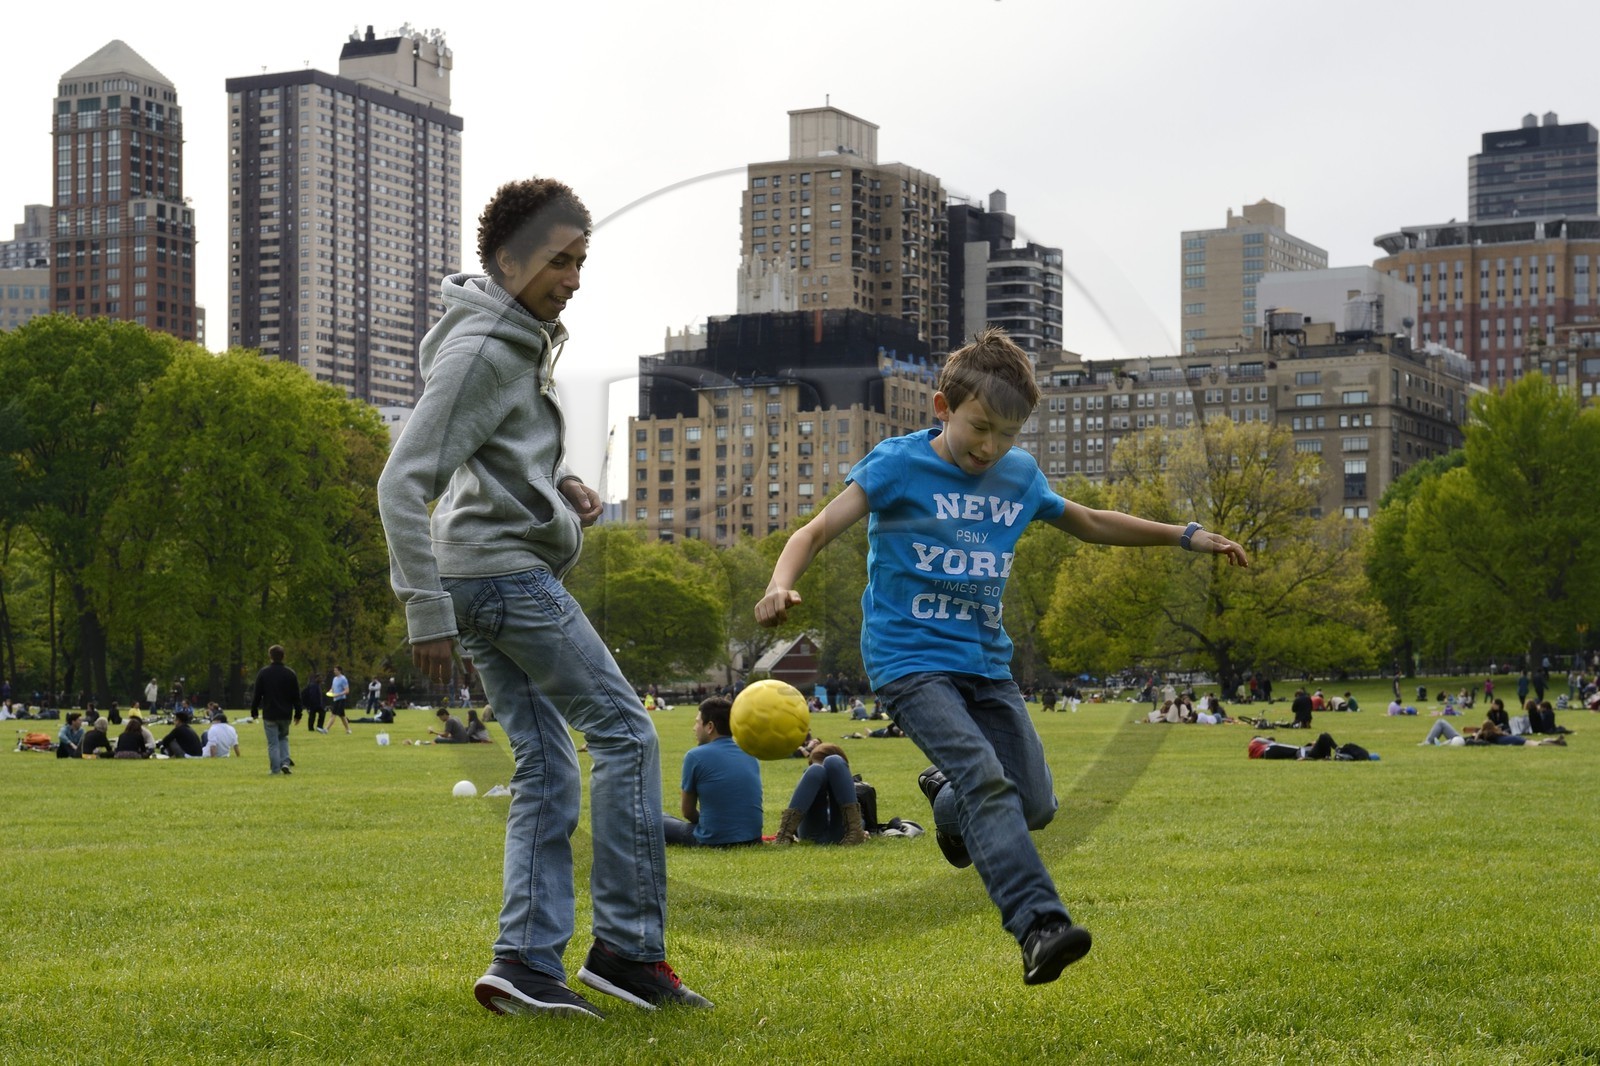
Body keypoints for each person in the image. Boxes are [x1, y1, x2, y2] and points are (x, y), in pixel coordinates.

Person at [754, 326, 1248, 986]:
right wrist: (780, 582)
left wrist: (1187, 536)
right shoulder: (897, 464)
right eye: (979, 428)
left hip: (986, 662)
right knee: (987, 779)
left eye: (1007, 435)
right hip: (908, 660)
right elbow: (814, 530)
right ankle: (1038, 925)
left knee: (1035, 804)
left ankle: (948, 800)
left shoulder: (1017, 476)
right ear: (942, 408)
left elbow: (1089, 520)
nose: (990, 448)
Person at [377, 176, 708, 1018]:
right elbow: (402, 480)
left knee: (550, 766)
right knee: (627, 734)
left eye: (581, 261)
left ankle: (523, 964)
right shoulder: (484, 348)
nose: (574, 276)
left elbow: (488, 454)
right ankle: (628, 954)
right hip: (501, 578)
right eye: (560, 260)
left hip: (489, 569)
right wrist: (425, 612)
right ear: (508, 259)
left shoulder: (511, 340)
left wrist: (558, 482)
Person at [662, 696, 763, 847]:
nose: (694, 728)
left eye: (697, 722)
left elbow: (687, 811)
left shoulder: (695, 756)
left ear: (710, 726)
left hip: (713, 840)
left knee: (655, 818)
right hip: (753, 839)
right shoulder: (749, 753)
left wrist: (711, 825)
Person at [774, 743, 868, 845]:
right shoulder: (810, 780)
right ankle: (784, 835)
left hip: (845, 832)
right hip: (812, 833)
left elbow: (869, 820)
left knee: (834, 760)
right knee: (815, 770)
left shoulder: (860, 788)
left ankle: (855, 833)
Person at [251, 644, 303, 775]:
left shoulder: (264, 673)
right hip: (285, 713)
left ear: (270, 657)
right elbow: (296, 696)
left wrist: (254, 711)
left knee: (273, 743)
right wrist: (298, 713)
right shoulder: (290, 673)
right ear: (283, 656)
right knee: (283, 738)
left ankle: (275, 769)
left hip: (270, 712)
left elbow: (257, 694)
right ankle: (285, 762)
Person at [325, 667, 352, 734]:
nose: (334, 671)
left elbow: (347, 690)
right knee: (342, 716)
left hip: (341, 699)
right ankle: (348, 730)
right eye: (334, 670)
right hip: (335, 699)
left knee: (333, 714)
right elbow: (333, 688)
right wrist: (330, 691)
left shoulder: (343, 679)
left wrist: (339, 694)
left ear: (340, 671)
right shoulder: (334, 679)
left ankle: (326, 729)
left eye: (336, 670)